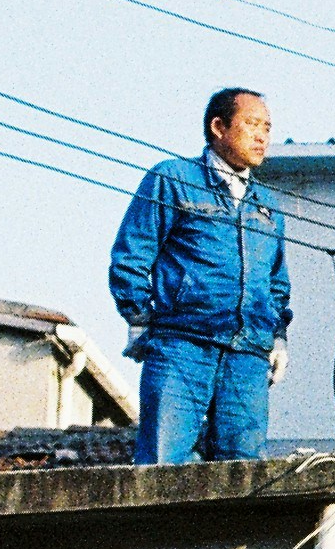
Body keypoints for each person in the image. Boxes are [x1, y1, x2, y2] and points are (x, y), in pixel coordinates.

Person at [110, 87, 292, 463]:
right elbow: (132, 254)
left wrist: (277, 338)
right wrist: (139, 318)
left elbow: (276, 283)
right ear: (218, 127)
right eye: (252, 124)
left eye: (268, 128)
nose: (262, 137)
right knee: (164, 464)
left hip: (248, 354)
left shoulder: (267, 206)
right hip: (182, 345)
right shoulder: (173, 178)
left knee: (242, 473)